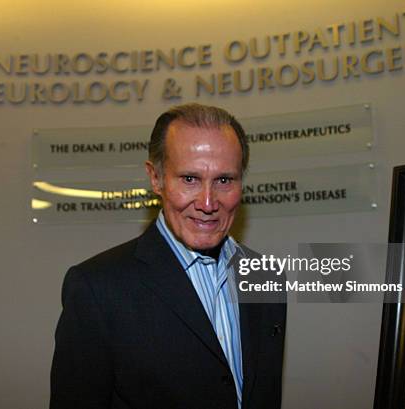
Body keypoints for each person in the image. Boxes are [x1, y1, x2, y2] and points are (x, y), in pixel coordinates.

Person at [50, 103, 286, 409]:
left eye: (224, 180)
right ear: (156, 178)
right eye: (189, 179)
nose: (207, 202)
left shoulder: (266, 276)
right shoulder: (97, 289)